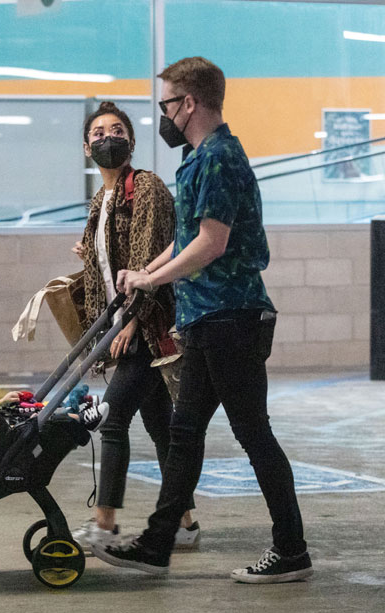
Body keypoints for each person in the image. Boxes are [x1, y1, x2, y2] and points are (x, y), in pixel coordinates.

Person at [92, 58, 312, 584]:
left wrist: (153, 281)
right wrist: (146, 270)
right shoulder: (199, 158)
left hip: (229, 317)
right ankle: (157, 543)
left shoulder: (218, 159)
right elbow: (191, 236)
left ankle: (292, 551)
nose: (164, 115)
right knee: (185, 431)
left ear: (188, 104)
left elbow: (212, 244)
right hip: (207, 318)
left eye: (167, 104)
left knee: (252, 434)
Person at [70, 101, 199, 552]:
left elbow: (147, 260)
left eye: (117, 129)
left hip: (147, 327)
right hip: (122, 326)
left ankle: (104, 523)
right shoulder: (99, 201)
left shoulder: (145, 188)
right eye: (100, 132)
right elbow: (102, 270)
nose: (109, 137)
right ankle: (184, 522)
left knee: (112, 418)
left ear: (131, 141)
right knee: (160, 426)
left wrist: (130, 322)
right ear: (87, 147)